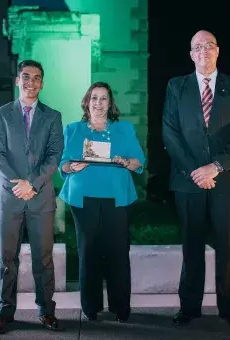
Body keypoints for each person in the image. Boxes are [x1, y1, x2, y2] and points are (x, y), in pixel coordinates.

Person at [162, 30, 230, 328]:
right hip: (188, 180)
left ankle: (229, 308)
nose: (203, 50)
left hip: (226, 180)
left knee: (227, 246)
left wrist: (216, 166)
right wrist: (196, 171)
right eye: (197, 46)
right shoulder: (176, 87)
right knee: (191, 245)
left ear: (218, 51)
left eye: (209, 45)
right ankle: (189, 307)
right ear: (191, 54)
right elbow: (170, 132)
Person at [58, 82, 145, 323]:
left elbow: (139, 161)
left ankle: (121, 307)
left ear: (110, 103)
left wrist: (126, 162)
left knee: (118, 252)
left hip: (117, 198)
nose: (98, 103)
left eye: (103, 98)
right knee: (88, 252)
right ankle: (90, 307)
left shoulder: (124, 130)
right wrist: (70, 166)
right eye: (94, 98)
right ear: (87, 102)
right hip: (83, 198)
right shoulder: (73, 129)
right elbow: (63, 163)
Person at [0, 60, 64, 334]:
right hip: (9, 199)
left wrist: (31, 184)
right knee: (7, 259)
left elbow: (54, 156)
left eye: (37, 78)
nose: (31, 82)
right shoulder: (1, 114)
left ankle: (46, 311)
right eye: (26, 76)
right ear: (18, 80)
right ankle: (4, 313)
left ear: (42, 83)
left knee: (43, 259)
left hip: (40, 198)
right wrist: (17, 185)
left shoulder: (53, 116)